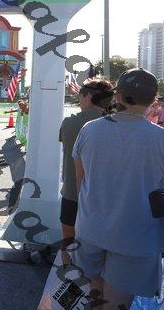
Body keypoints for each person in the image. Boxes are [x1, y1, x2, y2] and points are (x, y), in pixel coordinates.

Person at [72, 68, 164, 308]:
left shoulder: (89, 129)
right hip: (136, 236)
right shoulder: (163, 139)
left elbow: (81, 182)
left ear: (118, 96)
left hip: (90, 229)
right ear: (153, 100)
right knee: (116, 303)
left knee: (94, 295)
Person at [58, 79, 114, 253]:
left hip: (72, 194)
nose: (79, 100)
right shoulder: (116, 124)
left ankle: (68, 269)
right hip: (106, 198)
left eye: (80, 96)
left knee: (69, 243)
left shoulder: (69, 123)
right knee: (99, 249)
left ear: (88, 96)